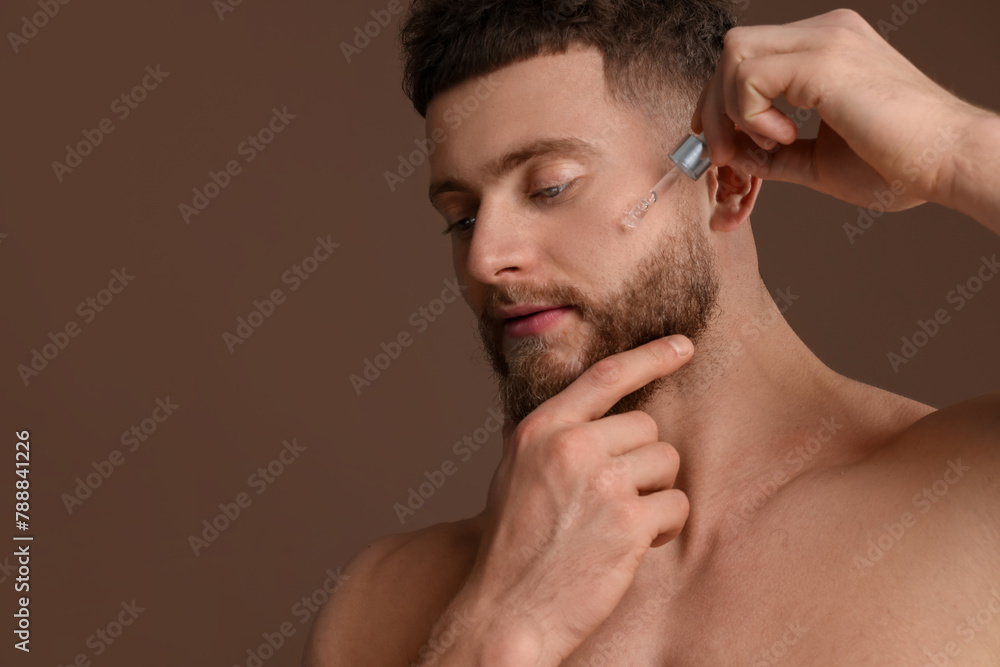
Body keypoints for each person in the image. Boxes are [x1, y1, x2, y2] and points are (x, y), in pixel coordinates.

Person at [304, 1, 1000, 664]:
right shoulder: (387, 601)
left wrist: (963, 150)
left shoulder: (973, 503)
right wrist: (494, 635)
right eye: (461, 217)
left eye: (549, 187)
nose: (486, 258)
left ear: (724, 179)